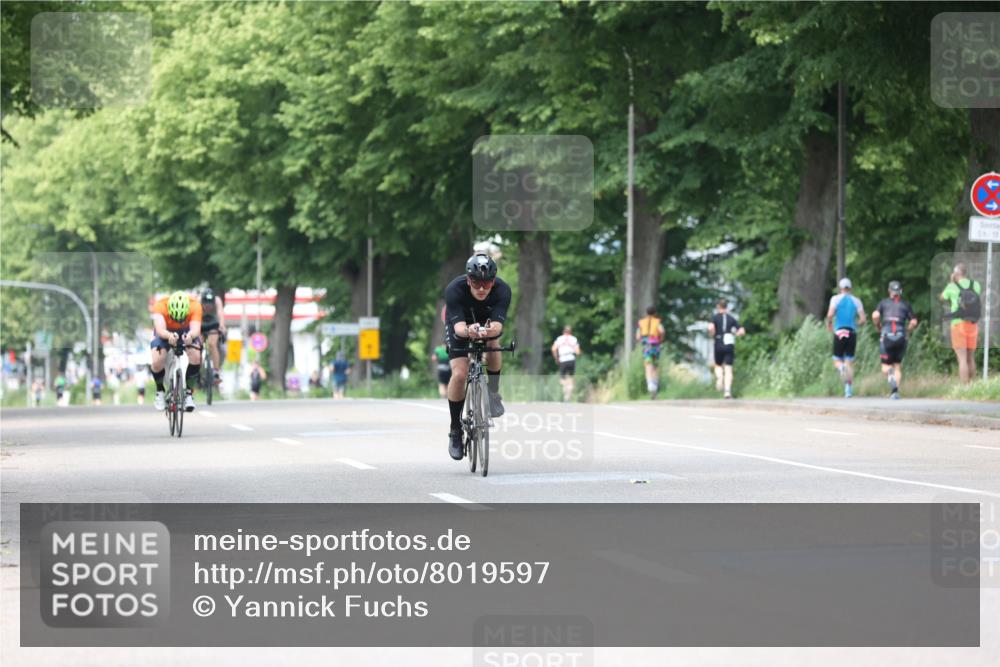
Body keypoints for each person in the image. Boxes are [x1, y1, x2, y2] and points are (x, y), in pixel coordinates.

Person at [444, 253, 512, 461]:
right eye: (476, 283)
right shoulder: (455, 290)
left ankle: (492, 393)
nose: (481, 288)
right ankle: (455, 429)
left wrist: (488, 330)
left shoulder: (502, 290)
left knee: (494, 343)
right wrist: (469, 331)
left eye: (487, 283)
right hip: (462, 325)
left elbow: (499, 326)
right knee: (459, 374)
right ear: (468, 280)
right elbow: (458, 328)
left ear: (493, 281)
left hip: (488, 324)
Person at [150, 290, 203, 412]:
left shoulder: (195, 305)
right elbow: (160, 329)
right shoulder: (160, 306)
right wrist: (169, 336)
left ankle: (189, 393)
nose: (178, 320)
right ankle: (160, 391)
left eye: (181, 317)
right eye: (175, 317)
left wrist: (190, 336)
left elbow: (195, 329)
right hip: (165, 331)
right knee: (157, 361)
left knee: (196, 356)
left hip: (186, 330)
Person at [872, 281, 918, 400]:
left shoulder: (883, 303)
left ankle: (889, 372)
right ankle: (895, 392)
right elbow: (913, 322)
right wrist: (908, 331)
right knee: (897, 365)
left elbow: (875, 315)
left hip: (886, 336)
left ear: (889, 291)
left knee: (885, 366)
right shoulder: (906, 304)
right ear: (900, 291)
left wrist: (878, 326)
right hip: (901, 336)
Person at [940, 263, 982, 383]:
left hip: (958, 324)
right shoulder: (976, 285)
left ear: (956, 274)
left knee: (962, 359)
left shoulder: (952, 286)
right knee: (970, 357)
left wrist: (951, 281)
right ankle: (973, 387)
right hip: (973, 324)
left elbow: (942, 297)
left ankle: (965, 388)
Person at [825, 278, 866, 398]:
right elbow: (863, 319)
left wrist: (829, 324)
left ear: (840, 288)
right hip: (851, 332)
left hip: (839, 331)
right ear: (850, 288)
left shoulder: (835, 299)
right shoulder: (856, 301)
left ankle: (841, 367)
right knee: (849, 361)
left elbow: (830, 315)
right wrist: (855, 325)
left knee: (837, 359)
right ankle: (848, 389)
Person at [707, 299, 746, 399]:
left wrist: (712, 334)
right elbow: (742, 331)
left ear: (718, 307)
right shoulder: (731, 318)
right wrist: (735, 334)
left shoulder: (715, 318)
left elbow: (710, 328)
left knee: (718, 365)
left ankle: (720, 378)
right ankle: (727, 391)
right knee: (728, 368)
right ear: (726, 307)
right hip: (729, 344)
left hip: (718, 343)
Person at [635, 306, 665, 399]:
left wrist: (642, 341)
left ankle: (650, 385)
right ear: (655, 313)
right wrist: (661, 339)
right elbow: (662, 331)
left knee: (648, 365)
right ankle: (655, 386)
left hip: (646, 346)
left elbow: (638, 336)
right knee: (655, 365)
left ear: (646, 313)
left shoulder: (641, 322)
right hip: (655, 345)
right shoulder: (657, 322)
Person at [200, 288, 226, 385]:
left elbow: (220, 313)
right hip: (201, 323)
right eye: (206, 304)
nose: (208, 307)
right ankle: (197, 370)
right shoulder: (198, 301)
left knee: (212, 344)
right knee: (197, 346)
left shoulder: (217, 300)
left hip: (213, 323)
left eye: (210, 304)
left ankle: (216, 371)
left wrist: (222, 326)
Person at [551, 325, 582, 402]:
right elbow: (578, 352)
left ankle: (566, 393)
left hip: (563, 360)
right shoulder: (574, 339)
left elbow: (553, 349)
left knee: (562, 379)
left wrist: (556, 358)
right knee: (571, 378)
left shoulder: (559, 339)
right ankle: (568, 396)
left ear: (563, 331)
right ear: (570, 332)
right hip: (571, 359)